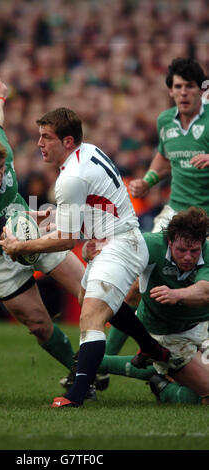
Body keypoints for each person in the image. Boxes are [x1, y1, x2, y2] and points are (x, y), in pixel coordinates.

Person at [0, 106, 170, 408]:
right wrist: (51, 216)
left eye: (46, 137)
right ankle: (150, 348)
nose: (39, 143)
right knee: (88, 298)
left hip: (120, 245)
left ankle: (75, 396)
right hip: (115, 239)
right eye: (39, 136)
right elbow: (88, 208)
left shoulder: (70, 177)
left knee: (91, 315)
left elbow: (65, 241)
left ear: (67, 141)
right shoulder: (87, 152)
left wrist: (20, 247)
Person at [0, 76, 87, 381]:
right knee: (39, 325)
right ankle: (81, 373)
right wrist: (37, 217)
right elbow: (8, 234)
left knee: (91, 292)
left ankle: (146, 354)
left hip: (28, 232)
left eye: (1, 167)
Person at [107, 57, 209, 356]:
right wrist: (148, 181)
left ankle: (187, 350)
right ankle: (105, 361)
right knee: (138, 285)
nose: (184, 92)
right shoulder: (165, 121)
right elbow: (164, 159)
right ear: (170, 91)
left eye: (190, 86)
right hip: (175, 213)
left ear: (199, 90)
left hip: (207, 219)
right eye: (178, 86)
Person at [90, 207, 209, 405]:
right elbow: (115, 256)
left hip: (201, 326)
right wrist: (94, 255)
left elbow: (205, 292)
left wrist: (176, 294)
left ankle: (156, 378)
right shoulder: (150, 245)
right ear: (169, 242)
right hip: (166, 336)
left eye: (194, 251)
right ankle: (99, 361)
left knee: (197, 390)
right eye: (181, 250)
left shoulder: (207, 250)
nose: (188, 256)